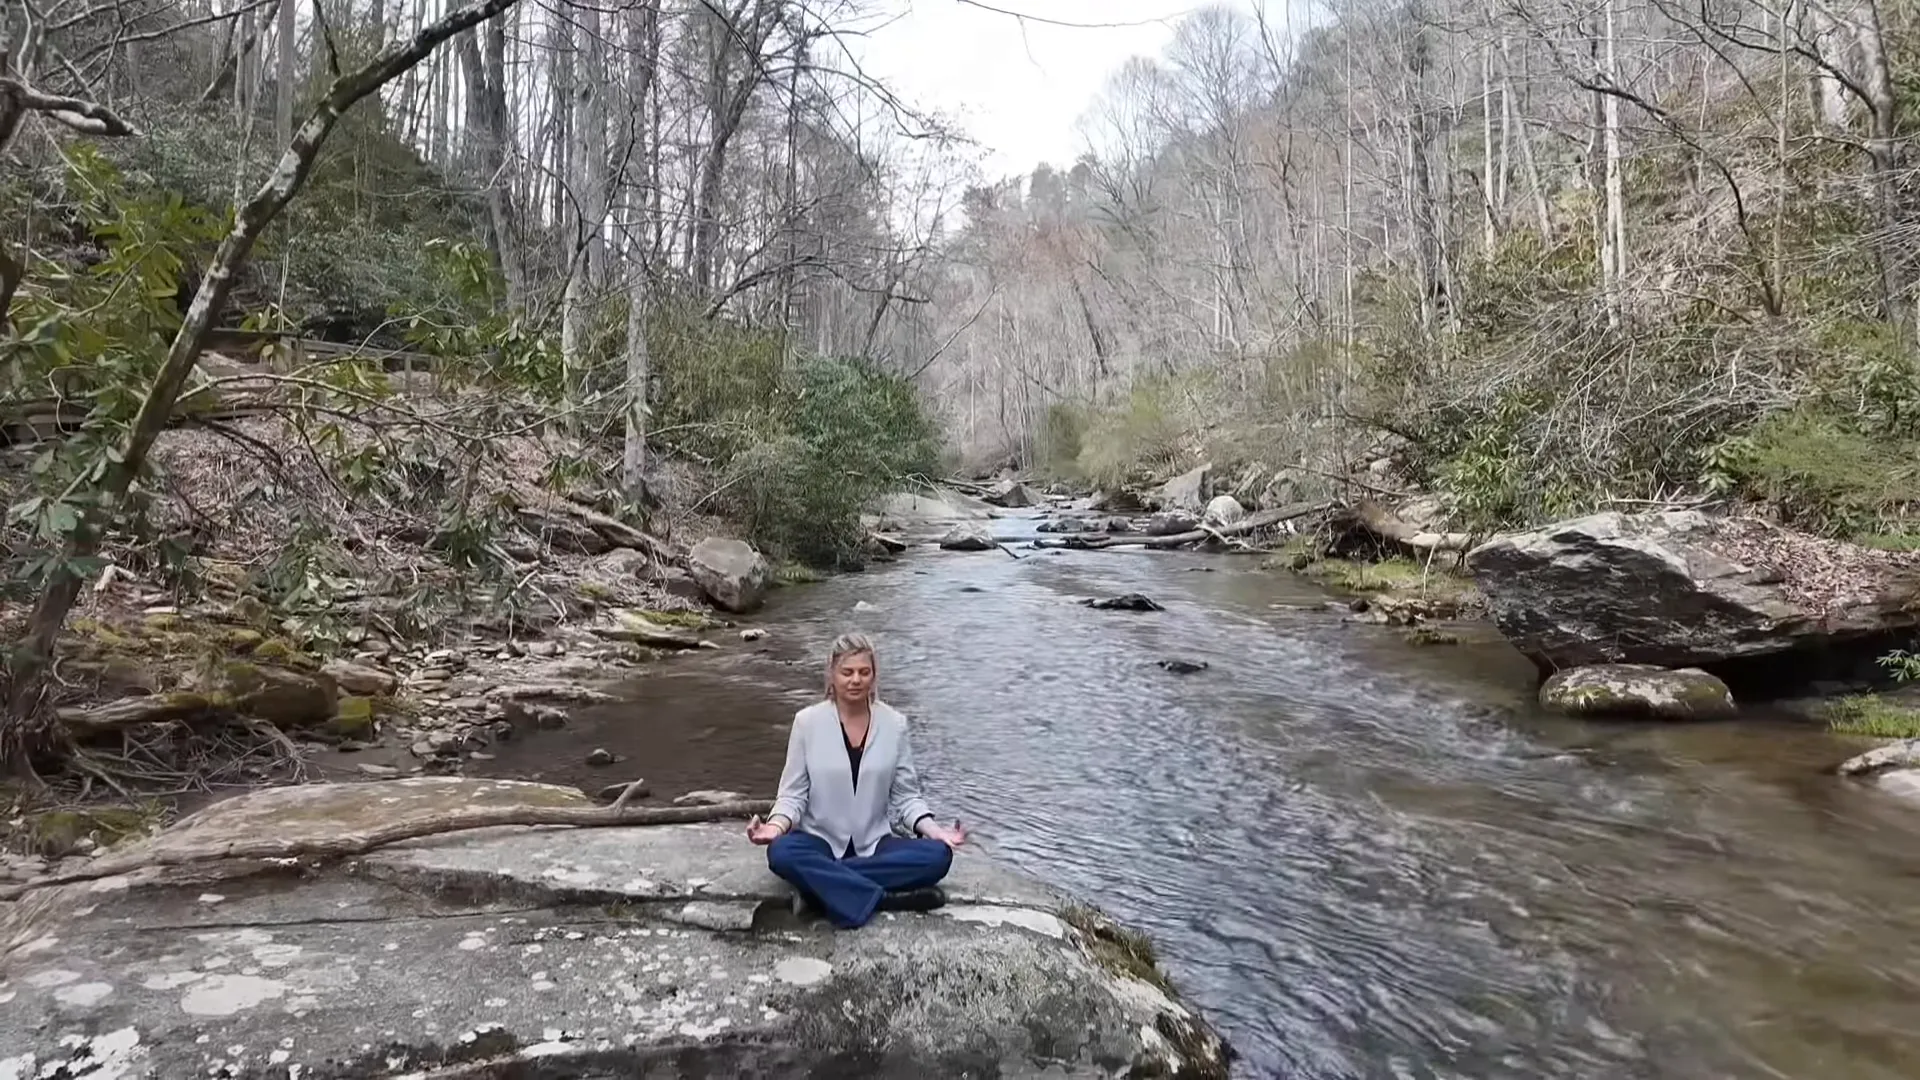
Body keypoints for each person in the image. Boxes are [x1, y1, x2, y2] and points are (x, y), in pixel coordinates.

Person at [746, 632, 967, 928]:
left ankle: (823, 885)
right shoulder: (807, 723)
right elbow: (792, 795)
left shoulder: (894, 724)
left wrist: (936, 831)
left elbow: (906, 797)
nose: (855, 680)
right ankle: (884, 898)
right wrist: (775, 827)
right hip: (819, 839)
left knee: (938, 856)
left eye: (864, 672)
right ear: (832, 675)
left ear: (874, 677)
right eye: (847, 672)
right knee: (781, 852)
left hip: (874, 843)